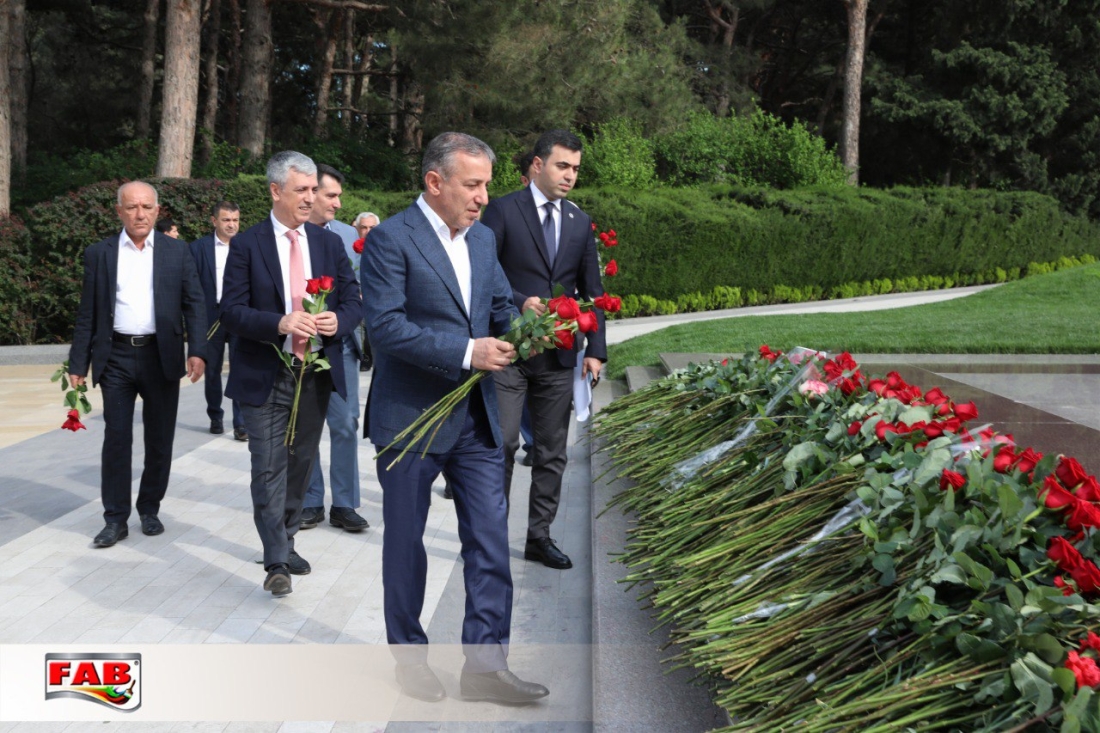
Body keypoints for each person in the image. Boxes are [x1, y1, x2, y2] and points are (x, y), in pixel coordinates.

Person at [362, 132, 548, 704]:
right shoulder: (391, 239)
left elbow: (497, 308)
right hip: (409, 420)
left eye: (487, 185)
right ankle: (410, 661)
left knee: (490, 541)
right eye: (473, 185)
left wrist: (532, 326)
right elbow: (386, 328)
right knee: (406, 546)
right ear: (435, 182)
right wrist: (469, 352)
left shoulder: (483, 239)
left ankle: (485, 668)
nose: (484, 197)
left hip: (476, 420)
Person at [220, 151, 361, 597]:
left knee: (300, 464)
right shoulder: (247, 244)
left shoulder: (328, 244)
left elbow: (354, 301)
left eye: (313, 189)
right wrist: (279, 322)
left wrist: (340, 320)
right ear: (275, 191)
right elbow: (230, 311)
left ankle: (287, 538)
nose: (310, 198)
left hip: (313, 374)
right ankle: (276, 559)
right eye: (301, 190)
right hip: (265, 375)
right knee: (268, 467)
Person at [481, 130, 607, 571]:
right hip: (508, 351)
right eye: (562, 166)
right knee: (503, 443)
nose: (570, 175)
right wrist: (518, 302)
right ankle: (491, 537)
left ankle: (539, 537)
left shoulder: (579, 221)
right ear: (537, 165)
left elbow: (593, 291)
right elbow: (484, 269)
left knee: (552, 451)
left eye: (575, 169)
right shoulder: (502, 210)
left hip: (559, 355)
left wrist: (596, 350)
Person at [68, 181, 208, 547]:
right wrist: (78, 363)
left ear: (157, 211)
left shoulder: (177, 252)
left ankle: (149, 508)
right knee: (116, 438)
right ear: (119, 212)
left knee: (159, 439)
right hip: (115, 356)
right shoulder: (99, 254)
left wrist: (198, 350)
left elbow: (195, 304)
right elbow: (88, 312)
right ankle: (115, 519)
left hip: (161, 355)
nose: (139, 214)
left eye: (146, 207)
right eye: (131, 207)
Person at [300, 165, 369, 533]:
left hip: (340, 346)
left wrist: (340, 321)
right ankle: (311, 499)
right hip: (299, 350)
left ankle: (344, 504)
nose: (338, 204)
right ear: (310, 194)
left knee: (344, 425)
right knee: (305, 425)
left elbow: (355, 294)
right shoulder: (287, 238)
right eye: (331, 195)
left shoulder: (345, 236)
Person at [189, 201, 247, 441]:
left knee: (240, 368)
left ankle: (241, 423)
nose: (231, 224)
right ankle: (215, 416)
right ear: (214, 221)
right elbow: (191, 285)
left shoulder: (248, 245)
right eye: (226, 220)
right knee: (211, 370)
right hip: (210, 316)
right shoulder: (198, 248)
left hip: (240, 315)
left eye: (235, 220)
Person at [351, 211, 380, 373]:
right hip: (354, 302)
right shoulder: (349, 249)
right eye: (364, 227)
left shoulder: (386, 248)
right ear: (357, 228)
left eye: (372, 227)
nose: (368, 231)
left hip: (376, 303)